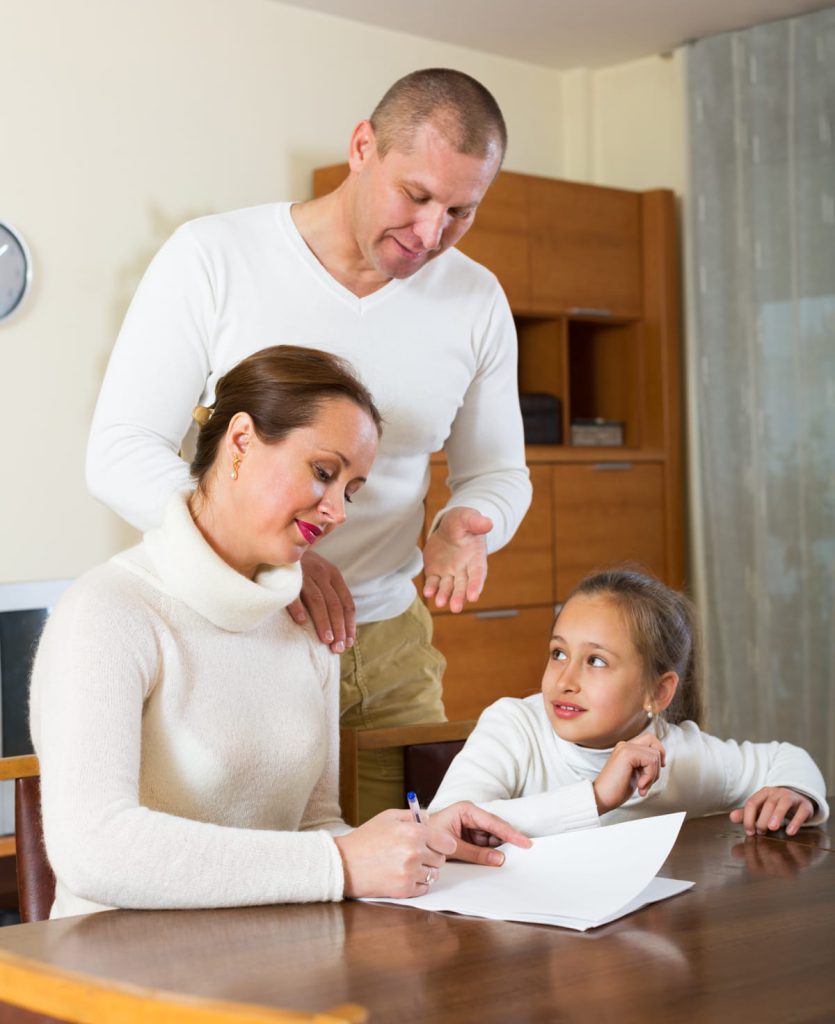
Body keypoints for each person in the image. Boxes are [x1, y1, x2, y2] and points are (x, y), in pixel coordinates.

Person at [85, 68, 532, 821]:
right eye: (416, 196)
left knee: (411, 881)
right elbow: (119, 449)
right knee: (253, 896)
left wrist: (469, 524)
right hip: (232, 631)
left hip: (387, 644)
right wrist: (273, 554)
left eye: (460, 211)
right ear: (363, 146)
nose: (430, 235)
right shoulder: (214, 257)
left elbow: (496, 473)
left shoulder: (474, 299)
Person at [30, 345, 529, 920]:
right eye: (323, 473)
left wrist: (416, 844)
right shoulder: (107, 612)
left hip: (276, 958)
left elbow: (315, 829)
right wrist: (337, 862)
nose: (338, 510)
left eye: (351, 489)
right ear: (240, 442)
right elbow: (93, 851)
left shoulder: (303, 621)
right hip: (122, 974)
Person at [430, 566, 829, 835]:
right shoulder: (513, 727)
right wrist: (598, 798)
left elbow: (788, 758)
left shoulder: (683, 755)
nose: (565, 680)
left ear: (658, 692)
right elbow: (448, 822)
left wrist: (793, 791)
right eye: (558, 653)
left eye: (596, 661)